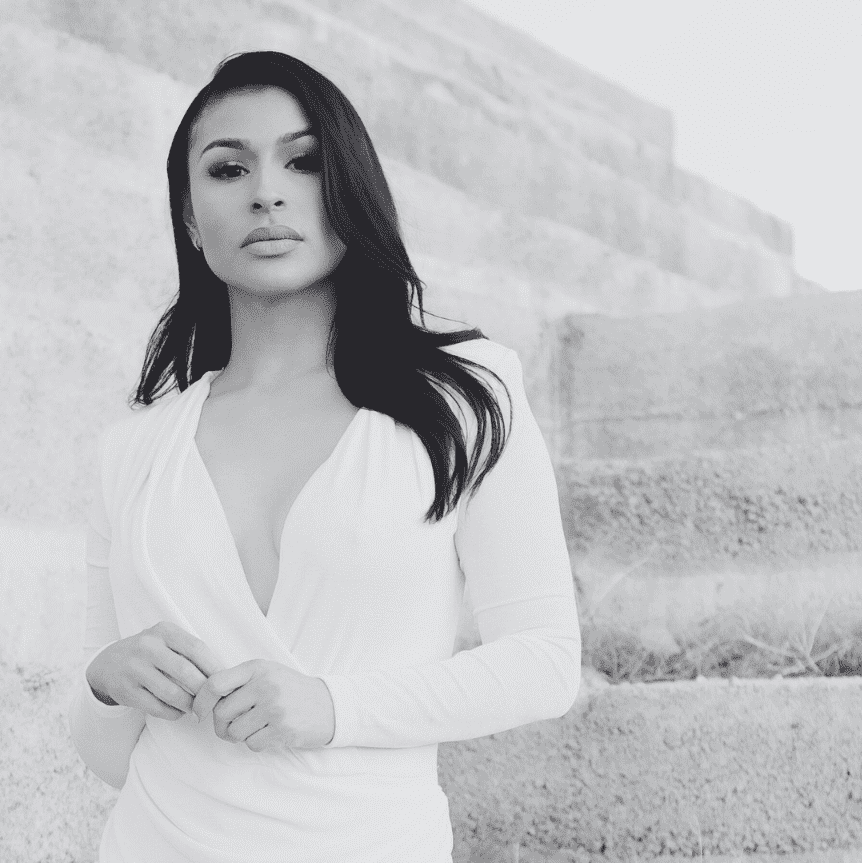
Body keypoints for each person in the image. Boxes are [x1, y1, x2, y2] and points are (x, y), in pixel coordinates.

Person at [66, 50, 581, 862]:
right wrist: (108, 680)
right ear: (192, 222)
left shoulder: (466, 394)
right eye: (228, 169)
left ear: (350, 193)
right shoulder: (131, 453)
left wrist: (333, 708)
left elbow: (546, 664)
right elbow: (105, 760)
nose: (266, 191)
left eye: (303, 162)